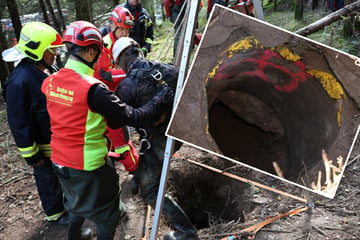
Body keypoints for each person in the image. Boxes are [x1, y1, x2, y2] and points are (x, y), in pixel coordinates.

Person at [41, 21, 174, 240]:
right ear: (91, 51)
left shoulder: (51, 81)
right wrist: (159, 100)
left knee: (75, 206)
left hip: (59, 162)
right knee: (110, 217)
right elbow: (132, 117)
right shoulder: (92, 89)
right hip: (89, 166)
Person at [112, 37, 198, 240]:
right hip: (178, 132)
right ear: (137, 52)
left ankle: (186, 232)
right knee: (146, 151)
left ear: (121, 61)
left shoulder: (127, 86)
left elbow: (116, 120)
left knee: (150, 191)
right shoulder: (168, 69)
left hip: (160, 140)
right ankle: (137, 179)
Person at [2, 21, 69, 226]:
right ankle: (55, 212)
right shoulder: (19, 82)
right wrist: (32, 156)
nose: (55, 54)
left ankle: (68, 204)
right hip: (42, 146)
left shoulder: (49, 68)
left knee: (62, 176)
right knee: (46, 178)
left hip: (58, 140)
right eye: (51, 50)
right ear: (37, 51)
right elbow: (18, 123)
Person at [94, 6, 139, 171]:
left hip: (118, 93)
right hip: (106, 95)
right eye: (123, 30)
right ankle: (135, 171)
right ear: (114, 26)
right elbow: (104, 74)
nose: (125, 34)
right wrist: (130, 71)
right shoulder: (105, 45)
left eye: (128, 30)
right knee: (120, 137)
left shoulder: (125, 42)